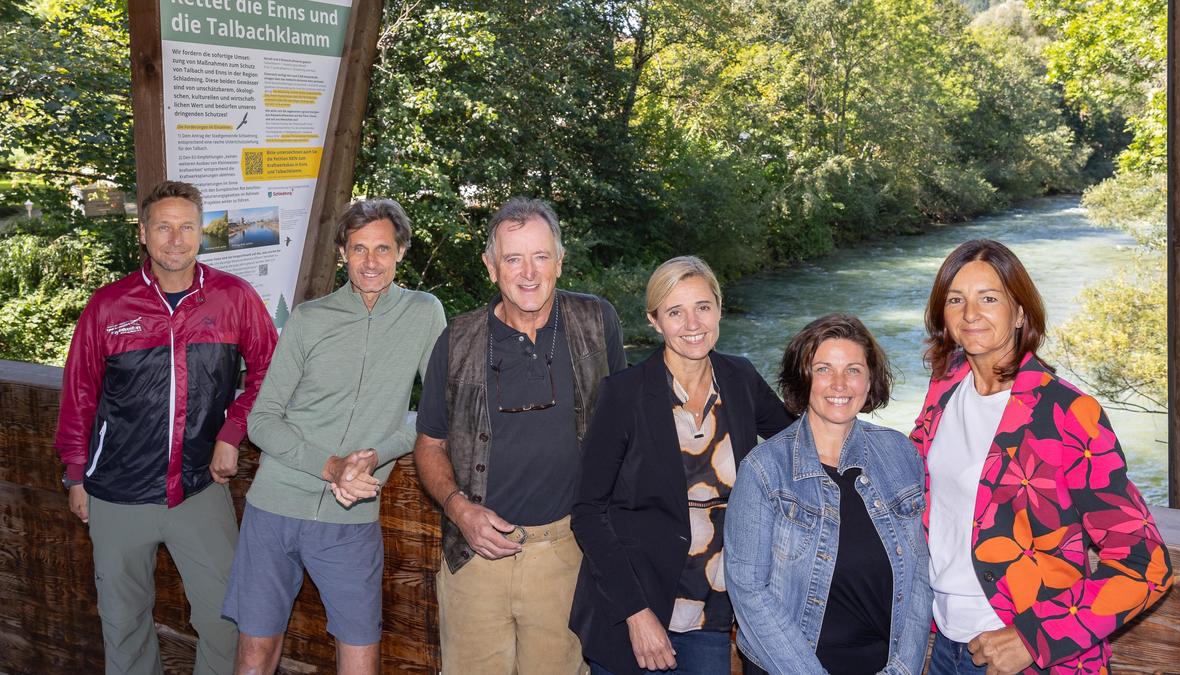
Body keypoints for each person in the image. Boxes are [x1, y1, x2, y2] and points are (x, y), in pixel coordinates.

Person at [912, 239, 1172, 674]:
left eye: (989, 298)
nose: (970, 313)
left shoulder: (1067, 413)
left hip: (1026, 657)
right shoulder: (944, 389)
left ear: (1020, 313)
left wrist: (1035, 639)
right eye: (956, 299)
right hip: (945, 644)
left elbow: (1146, 564)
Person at [55, 180, 278, 674]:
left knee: (226, 618)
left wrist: (231, 432)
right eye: (163, 227)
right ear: (143, 233)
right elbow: (80, 394)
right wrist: (75, 473)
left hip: (198, 487)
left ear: (202, 233)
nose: (175, 239)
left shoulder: (233, 298)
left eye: (187, 227)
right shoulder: (108, 306)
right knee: (123, 620)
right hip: (114, 491)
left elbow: (271, 372)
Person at [222, 198, 445, 674]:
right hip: (275, 507)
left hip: (352, 515)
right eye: (359, 249)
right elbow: (262, 420)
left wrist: (374, 456)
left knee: (361, 653)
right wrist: (332, 466)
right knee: (255, 652)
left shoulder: (425, 313)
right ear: (342, 252)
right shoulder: (309, 318)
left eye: (382, 249)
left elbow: (437, 412)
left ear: (401, 251)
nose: (370, 262)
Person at [412, 197, 627, 674]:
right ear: (491, 268)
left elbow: (625, 429)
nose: (528, 273)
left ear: (560, 261)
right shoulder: (458, 339)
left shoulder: (598, 323)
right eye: (513, 259)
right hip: (475, 558)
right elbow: (429, 444)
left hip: (568, 554)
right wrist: (459, 509)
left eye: (541, 256)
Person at [571, 256, 795, 675]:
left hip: (713, 608)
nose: (693, 324)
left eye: (703, 307)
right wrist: (636, 615)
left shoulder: (740, 378)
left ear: (719, 309)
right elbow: (587, 512)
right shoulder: (624, 394)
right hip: (636, 605)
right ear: (655, 321)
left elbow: (797, 443)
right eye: (676, 312)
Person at [724, 313, 932, 675]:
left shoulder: (900, 455)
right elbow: (749, 592)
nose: (839, 384)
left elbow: (921, 576)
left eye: (853, 369)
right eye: (823, 369)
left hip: (884, 665)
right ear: (803, 379)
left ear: (870, 380)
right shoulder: (764, 469)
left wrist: (903, 668)